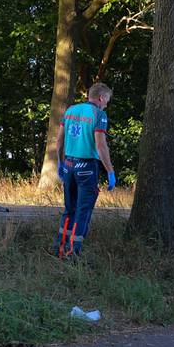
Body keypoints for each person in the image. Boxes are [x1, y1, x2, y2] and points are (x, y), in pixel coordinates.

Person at [53, 82, 115, 258]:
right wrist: (110, 171)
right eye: (107, 100)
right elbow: (100, 145)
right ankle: (73, 252)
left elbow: (59, 141)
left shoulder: (70, 110)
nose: (106, 104)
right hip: (87, 168)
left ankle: (60, 247)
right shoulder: (99, 114)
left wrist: (60, 163)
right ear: (101, 97)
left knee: (69, 209)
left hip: (69, 165)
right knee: (82, 211)